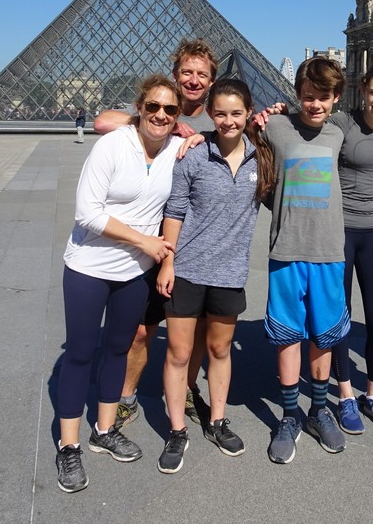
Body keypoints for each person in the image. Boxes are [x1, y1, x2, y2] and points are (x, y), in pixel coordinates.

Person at [56, 75, 184, 493]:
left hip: (134, 273)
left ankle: (104, 430)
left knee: (117, 349)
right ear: (139, 108)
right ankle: (69, 445)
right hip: (89, 266)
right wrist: (145, 241)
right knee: (78, 354)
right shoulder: (112, 146)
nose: (161, 115)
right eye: (153, 107)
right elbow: (87, 214)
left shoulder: (176, 152)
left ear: (178, 115)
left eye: (170, 110)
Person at [94, 38, 218, 430]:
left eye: (202, 74)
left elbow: (250, 128)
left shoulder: (218, 119)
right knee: (141, 332)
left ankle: (183, 390)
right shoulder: (163, 111)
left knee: (194, 332)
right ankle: (128, 396)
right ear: (176, 75)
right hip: (152, 242)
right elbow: (102, 121)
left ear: (212, 81)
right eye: (187, 72)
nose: (194, 80)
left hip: (196, 245)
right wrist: (164, 120)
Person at [156, 78, 275, 473]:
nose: (227, 121)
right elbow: (174, 210)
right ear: (210, 113)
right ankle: (176, 429)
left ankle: (217, 419)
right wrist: (168, 262)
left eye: (236, 113)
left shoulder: (264, 157)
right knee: (179, 353)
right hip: (187, 269)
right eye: (220, 113)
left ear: (248, 113)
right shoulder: (193, 154)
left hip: (229, 274)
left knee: (220, 351)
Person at [263, 57, 349, 464]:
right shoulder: (276, 126)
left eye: (324, 98)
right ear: (297, 94)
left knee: (323, 336)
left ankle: (318, 410)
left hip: (329, 249)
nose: (315, 104)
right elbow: (228, 129)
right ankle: (289, 415)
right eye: (309, 96)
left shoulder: (340, 132)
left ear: (336, 98)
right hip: (286, 249)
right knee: (287, 337)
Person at [327, 62, 373, 435]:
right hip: (339, 232)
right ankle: (344, 395)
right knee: (340, 318)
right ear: (363, 88)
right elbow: (303, 126)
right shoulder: (343, 123)